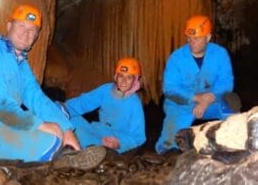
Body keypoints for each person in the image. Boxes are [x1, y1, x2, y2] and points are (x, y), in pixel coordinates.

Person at [0, 4, 106, 170]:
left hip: (2, 125)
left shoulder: (21, 63)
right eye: (21, 26)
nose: (26, 33)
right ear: (9, 27)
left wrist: (66, 130)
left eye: (32, 30)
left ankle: (63, 155)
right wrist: (40, 125)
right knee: (50, 139)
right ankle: (61, 160)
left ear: (36, 36)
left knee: (58, 126)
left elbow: (38, 99)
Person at [155, 15, 241, 154]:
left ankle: (235, 139)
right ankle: (168, 151)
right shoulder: (177, 57)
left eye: (196, 38)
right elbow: (170, 88)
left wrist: (208, 98)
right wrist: (196, 98)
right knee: (169, 144)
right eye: (189, 38)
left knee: (231, 101)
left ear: (207, 38)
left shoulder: (219, 54)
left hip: (213, 102)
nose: (191, 42)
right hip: (182, 104)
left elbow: (226, 82)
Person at [59, 58, 146, 154]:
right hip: (98, 131)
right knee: (70, 119)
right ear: (116, 77)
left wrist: (119, 143)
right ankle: (83, 148)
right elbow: (84, 102)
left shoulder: (134, 104)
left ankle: (87, 150)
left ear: (135, 80)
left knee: (81, 136)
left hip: (115, 141)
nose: (124, 81)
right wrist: (60, 108)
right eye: (121, 76)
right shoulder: (106, 90)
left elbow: (138, 137)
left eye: (129, 77)